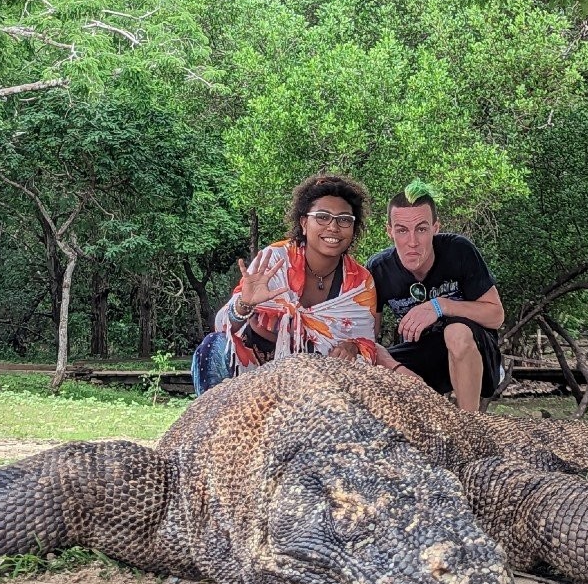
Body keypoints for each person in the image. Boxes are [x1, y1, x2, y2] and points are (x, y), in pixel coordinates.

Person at [191, 175, 377, 394]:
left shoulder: (360, 282)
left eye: (344, 219)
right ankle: (214, 427)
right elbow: (222, 326)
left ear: (353, 228)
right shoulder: (274, 260)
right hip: (251, 373)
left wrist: (352, 348)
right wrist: (244, 304)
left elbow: (368, 346)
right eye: (322, 217)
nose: (333, 227)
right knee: (212, 347)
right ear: (303, 223)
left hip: (316, 384)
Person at [367, 180, 504, 412]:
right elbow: (368, 337)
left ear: (435, 227)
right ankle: (423, 419)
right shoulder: (378, 268)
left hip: (474, 352)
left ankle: (468, 424)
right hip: (422, 358)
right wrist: (393, 367)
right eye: (402, 230)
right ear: (389, 231)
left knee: (456, 332)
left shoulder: (458, 250)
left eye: (421, 229)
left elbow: (496, 315)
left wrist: (440, 306)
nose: (412, 242)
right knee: (373, 362)